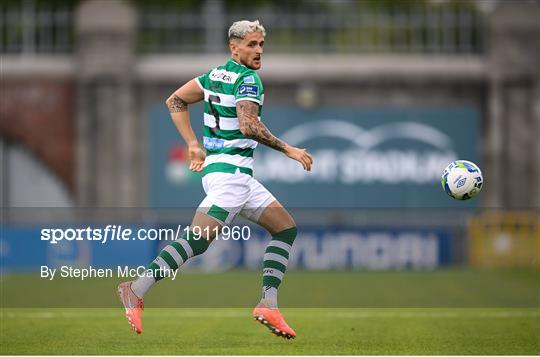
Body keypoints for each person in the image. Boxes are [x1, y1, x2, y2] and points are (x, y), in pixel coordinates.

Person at [117, 20, 313, 339]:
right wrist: (287, 148)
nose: (259, 50)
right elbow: (249, 126)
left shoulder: (212, 77)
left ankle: (269, 304)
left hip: (232, 175)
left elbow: (175, 101)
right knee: (197, 239)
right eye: (251, 44)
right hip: (231, 177)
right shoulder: (248, 80)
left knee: (285, 228)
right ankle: (134, 290)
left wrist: (193, 144)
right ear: (234, 47)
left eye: (261, 44)